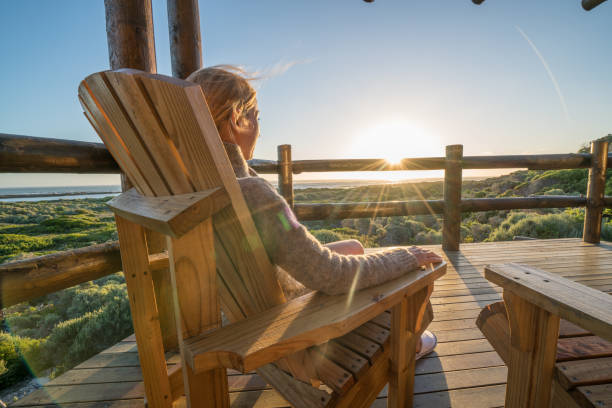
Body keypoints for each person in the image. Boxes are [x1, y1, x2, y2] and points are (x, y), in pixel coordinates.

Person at [187, 65, 443, 372]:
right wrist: (402, 258)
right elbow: (331, 276)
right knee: (418, 286)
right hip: (287, 324)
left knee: (354, 246)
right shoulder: (251, 192)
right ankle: (406, 345)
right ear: (235, 119)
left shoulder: (195, 184)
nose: (258, 128)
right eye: (256, 117)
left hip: (253, 305)